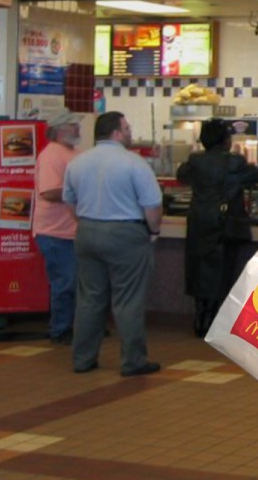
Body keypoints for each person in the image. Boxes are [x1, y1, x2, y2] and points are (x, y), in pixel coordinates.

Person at [63, 111, 163, 376]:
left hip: (86, 232)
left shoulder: (78, 162)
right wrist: (153, 231)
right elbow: (153, 206)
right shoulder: (134, 163)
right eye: (127, 128)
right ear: (117, 133)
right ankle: (133, 361)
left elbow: (68, 200)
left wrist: (85, 221)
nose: (130, 132)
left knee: (89, 299)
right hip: (126, 235)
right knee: (128, 300)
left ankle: (83, 359)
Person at [176, 119, 258, 337]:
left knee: (199, 271)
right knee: (222, 272)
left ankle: (201, 317)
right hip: (225, 223)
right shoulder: (234, 162)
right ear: (226, 140)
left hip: (198, 222)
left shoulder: (195, 161)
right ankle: (213, 321)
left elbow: (181, 176)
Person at [33, 107, 82, 345]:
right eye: (74, 125)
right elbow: (49, 191)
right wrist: (81, 191)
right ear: (60, 130)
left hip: (71, 231)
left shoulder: (74, 153)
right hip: (55, 232)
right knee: (65, 283)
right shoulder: (52, 155)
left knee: (72, 282)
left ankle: (73, 326)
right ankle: (60, 330)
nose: (78, 128)